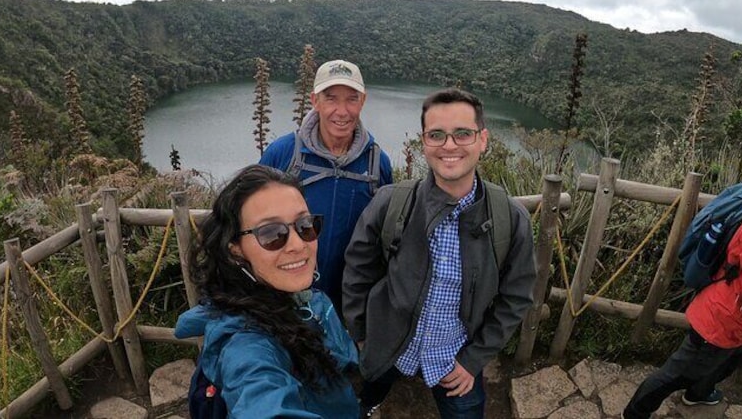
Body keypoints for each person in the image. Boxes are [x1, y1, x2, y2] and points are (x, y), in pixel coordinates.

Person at [343, 88, 536, 418]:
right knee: (363, 399)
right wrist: (361, 336)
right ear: (424, 142)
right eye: (437, 135)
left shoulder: (509, 219)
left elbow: (516, 296)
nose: (449, 145)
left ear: (483, 139)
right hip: (389, 346)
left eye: (463, 133)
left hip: (454, 359)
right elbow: (358, 271)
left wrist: (473, 360)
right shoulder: (393, 204)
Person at [174, 164, 360, 418]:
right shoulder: (246, 344)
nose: (297, 245)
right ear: (235, 249)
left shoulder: (305, 299)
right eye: (271, 233)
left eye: (305, 225)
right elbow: (261, 398)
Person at [623, 155, 742, 418]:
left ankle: (699, 394)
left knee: (722, 363)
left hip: (732, 311)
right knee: (677, 373)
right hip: (726, 317)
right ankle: (634, 413)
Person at [260, 59, 392, 311]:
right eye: (331, 98)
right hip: (285, 299)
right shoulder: (284, 154)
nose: (342, 111)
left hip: (350, 303)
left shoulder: (377, 163)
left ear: (363, 101)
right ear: (314, 100)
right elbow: (250, 219)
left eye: (351, 99)